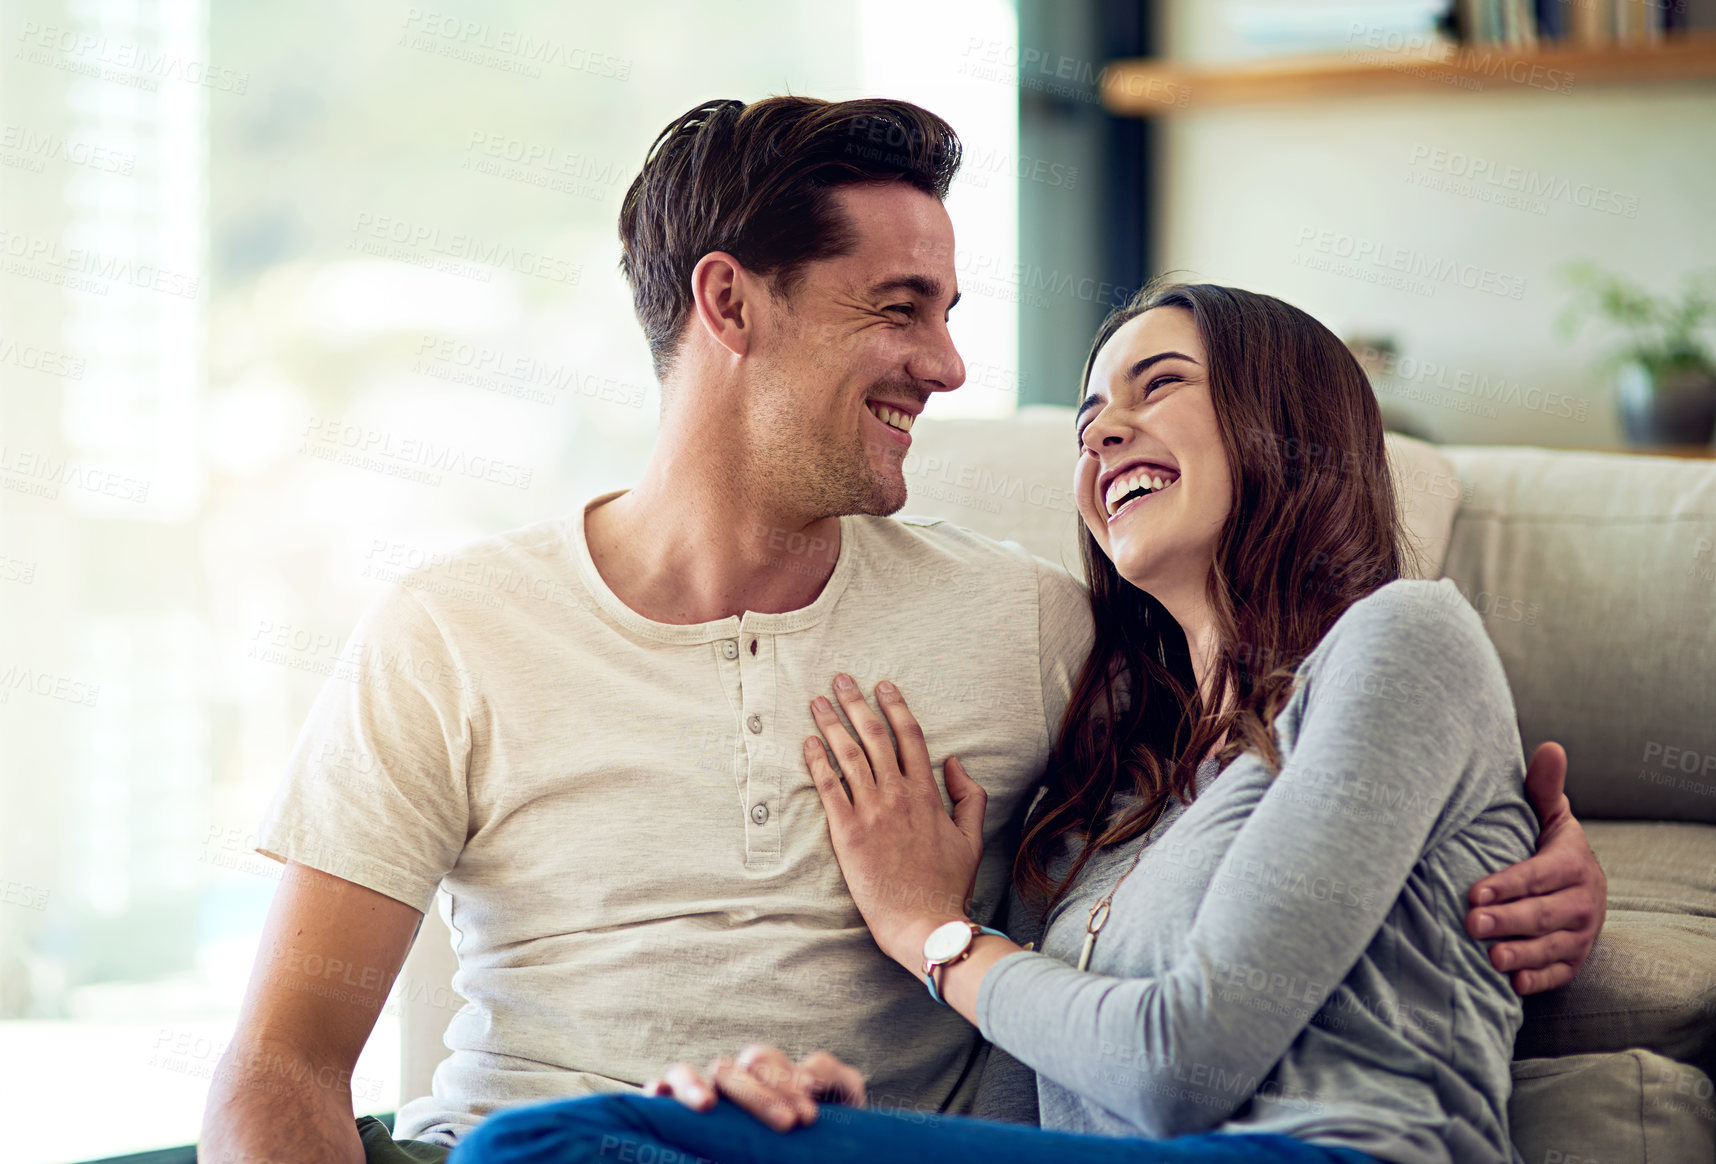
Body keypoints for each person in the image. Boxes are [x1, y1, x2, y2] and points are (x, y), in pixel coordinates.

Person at [198, 98, 1603, 1164]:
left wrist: (1525, 868)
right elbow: (280, 1064)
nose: (951, 367)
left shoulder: (1037, 627)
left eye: (951, 310)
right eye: (900, 309)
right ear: (730, 304)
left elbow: (1295, 793)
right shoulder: (451, 628)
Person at [451, 283, 1553, 1163]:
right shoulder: (1123, 782)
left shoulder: (1401, 641)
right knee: (615, 1141)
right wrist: (836, 1109)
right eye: (1086, 422)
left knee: (543, 1148)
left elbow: (1180, 1064)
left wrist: (931, 935)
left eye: (1155, 387)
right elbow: (1031, 1110)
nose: (1104, 435)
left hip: (1331, 1152)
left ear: (1289, 422)